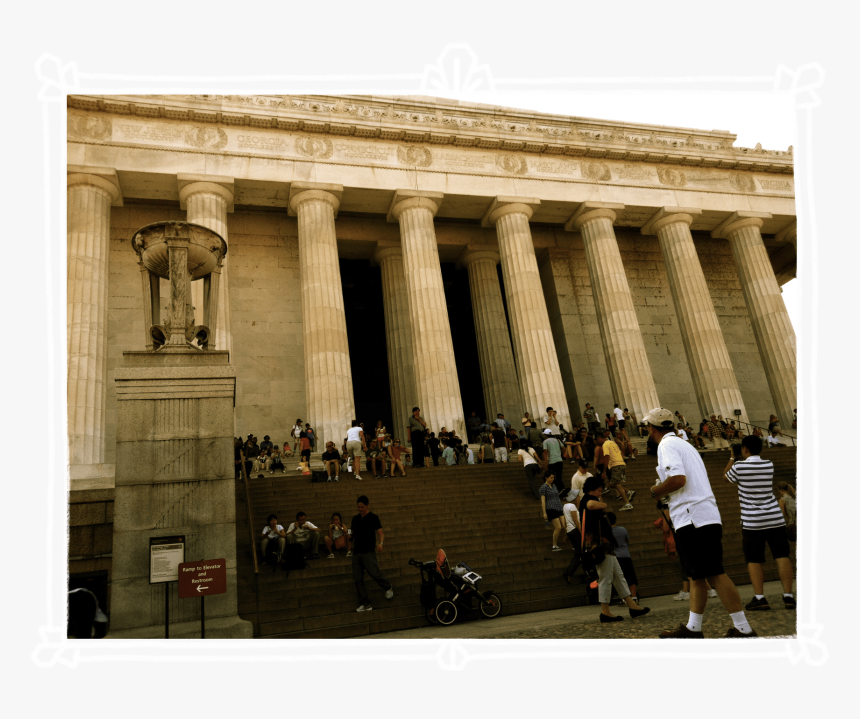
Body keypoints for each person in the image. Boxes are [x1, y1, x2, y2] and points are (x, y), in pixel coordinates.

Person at [643, 407, 758, 637]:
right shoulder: (686, 445)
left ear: (651, 428)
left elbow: (677, 479)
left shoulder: (666, 446)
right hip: (701, 514)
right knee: (697, 575)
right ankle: (693, 628)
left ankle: (744, 629)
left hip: (692, 516)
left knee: (714, 572)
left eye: (647, 426)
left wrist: (656, 490)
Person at [724, 436, 795, 610]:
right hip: (774, 517)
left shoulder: (739, 466)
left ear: (745, 449)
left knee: (754, 559)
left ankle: (760, 597)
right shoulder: (768, 464)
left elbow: (726, 477)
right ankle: (788, 596)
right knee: (781, 555)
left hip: (752, 520)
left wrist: (732, 457)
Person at [579, 475, 651, 622]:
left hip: (606, 545)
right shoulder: (587, 500)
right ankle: (605, 611)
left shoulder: (591, 500)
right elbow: (590, 505)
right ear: (592, 490)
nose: (601, 493)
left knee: (618, 576)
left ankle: (631, 605)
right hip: (599, 546)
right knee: (606, 577)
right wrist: (604, 505)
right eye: (599, 490)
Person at [351, 495, 393, 612]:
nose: (360, 509)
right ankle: (365, 603)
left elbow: (380, 532)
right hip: (356, 552)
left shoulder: (374, 517)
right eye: (358, 507)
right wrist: (347, 534)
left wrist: (381, 543)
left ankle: (387, 586)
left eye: (362, 507)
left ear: (367, 505)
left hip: (368, 551)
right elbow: (351, 531)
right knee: (358, 579)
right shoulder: (355, 518)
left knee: (374, 573)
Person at [607, 511, 639, 603]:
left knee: (620, 578)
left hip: (615, 556)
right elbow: (627, 540)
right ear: (615, 520)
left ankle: (624, 598)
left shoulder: (608, 532)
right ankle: (634, 597)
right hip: (626, 555)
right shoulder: (623, 529)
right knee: (631, 577)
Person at [602, 431, 635, 511]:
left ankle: (627, 503)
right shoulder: (613, 443)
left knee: (616, 483)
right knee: (612, 483)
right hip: (621, 463)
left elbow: (606, 456)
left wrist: (604, 471)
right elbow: (620, 454)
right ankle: (628, 491)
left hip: (615, 465)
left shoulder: (605, 444)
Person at [540, 470, 566, 551]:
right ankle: (554, 545)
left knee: (564, 526)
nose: (552, 479)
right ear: (546, 478)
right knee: (558, 527)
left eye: (553, 477)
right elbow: (543, 501)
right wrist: (544, 512)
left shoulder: (554, 486)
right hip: (550, 508)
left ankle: (562, 540)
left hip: (558, 506)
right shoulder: (543, 487)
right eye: (551, 477)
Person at [561, 489, 583, 585]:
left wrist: (566, 533)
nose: (579, 498)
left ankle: (570, 573)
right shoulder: (572, 506)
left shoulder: (565, 506)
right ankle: (569, 573)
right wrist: (582, 533)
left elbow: (567, 521)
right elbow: (576, 521)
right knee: (580, 553)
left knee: (580, 552)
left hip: (570, 531)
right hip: (575, 531)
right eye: (578, 496)